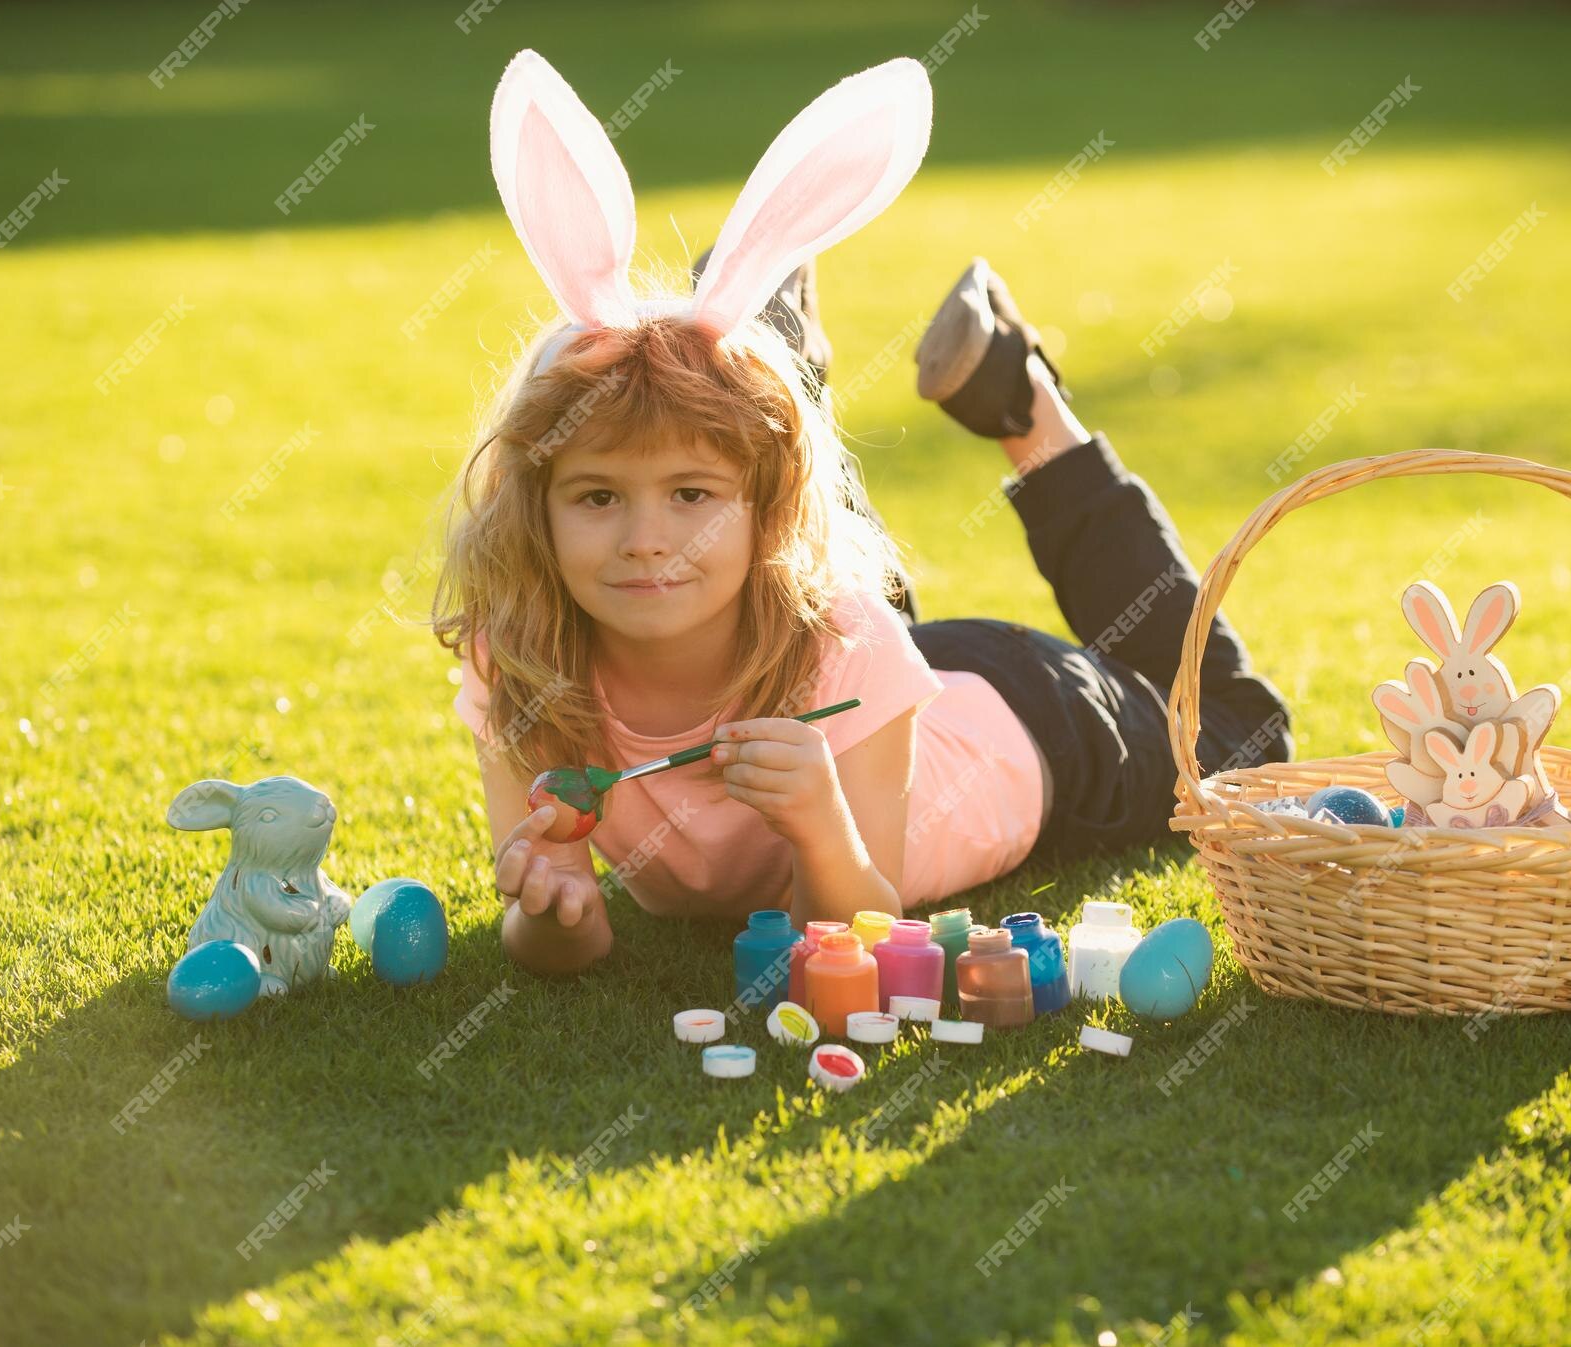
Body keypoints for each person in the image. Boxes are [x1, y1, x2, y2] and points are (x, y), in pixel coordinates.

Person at [436, 51, 1289, 974]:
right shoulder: (520, 656)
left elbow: (858, 930)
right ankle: (772, 348)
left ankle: (1021, 402)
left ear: (761, 511)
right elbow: (557, 938)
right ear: (538, 509)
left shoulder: (847, 637)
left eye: (691, 494)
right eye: (598, 497)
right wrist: (555, 909)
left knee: (1241, 743)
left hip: (1026, 724)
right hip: (861, 674)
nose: (646, 539)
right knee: (813, 597)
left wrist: (819, 825)